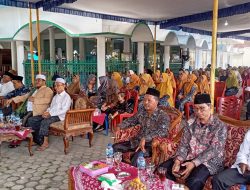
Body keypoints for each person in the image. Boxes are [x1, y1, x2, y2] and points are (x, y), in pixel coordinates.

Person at [159, 93, 227, 190]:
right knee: (163, 169)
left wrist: (194, 163)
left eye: (202, 108)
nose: (198, 112)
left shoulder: (219, 126)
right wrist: (178, 161)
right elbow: (184, 144)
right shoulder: (191, 122)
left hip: (210, 162)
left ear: (210, 107)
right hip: (190, 156)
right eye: (196, 109)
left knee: (195, 180)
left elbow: (214, 150)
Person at [113, 88, 170, 166]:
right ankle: (119, 170)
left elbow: (163, 131)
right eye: (144, 100)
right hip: (136, 142)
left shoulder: (163, 116)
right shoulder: (141, 112)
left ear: (156, 102)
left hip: (150, 146)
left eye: (149, 100)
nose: (145, 103)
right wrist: (119, 127)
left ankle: (134, 177)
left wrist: (146, 138)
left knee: (137, 158)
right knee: (115, 148)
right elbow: (130, 120)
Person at [27, 78, 71, 151]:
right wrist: (46, 112)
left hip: (60, 117)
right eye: (55, 86)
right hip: (51, 114)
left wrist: (50, 114)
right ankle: (37, 140)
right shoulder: (55, 96)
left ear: (64, 86)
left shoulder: (66, 97)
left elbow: (64, 110)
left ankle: (45, 142)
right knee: (32, 120)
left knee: (45, 121)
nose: (56, 87)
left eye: (58, 85)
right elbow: (51, 107)